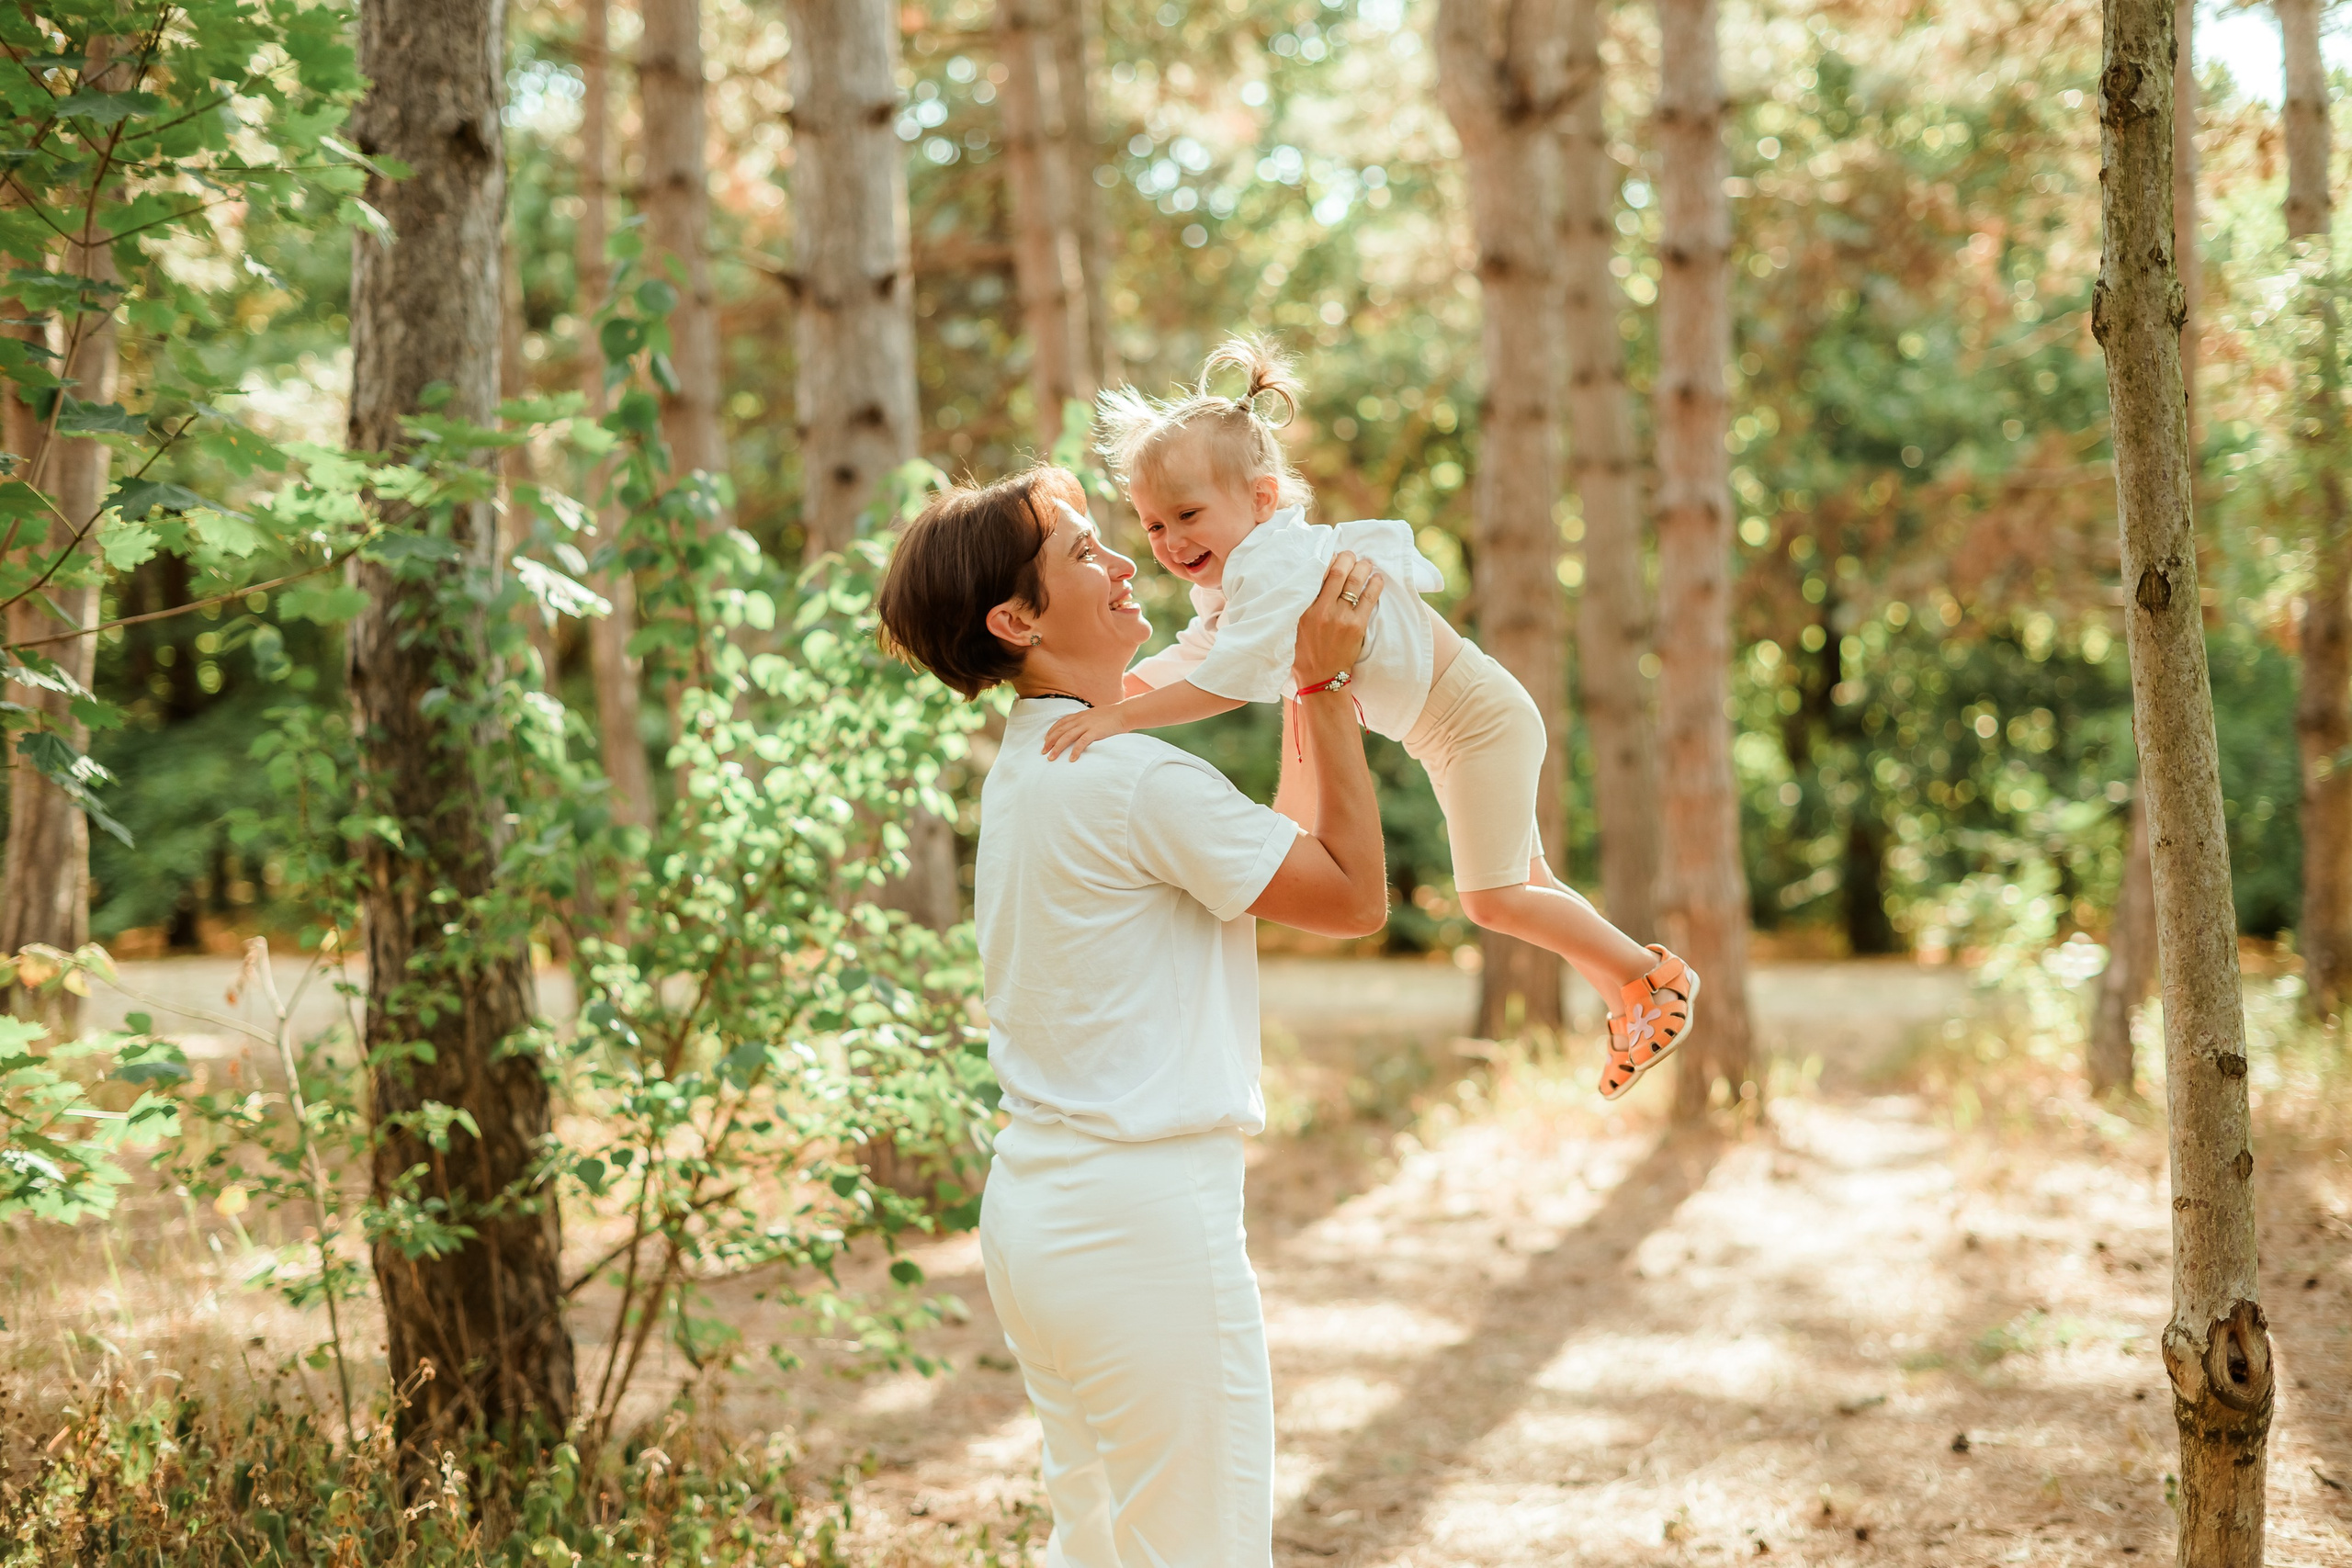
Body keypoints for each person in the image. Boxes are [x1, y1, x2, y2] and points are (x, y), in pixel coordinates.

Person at [876, 464, 1389, 1567]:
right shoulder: (1134, 778)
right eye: (1083, 554)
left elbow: (1287, 860)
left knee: (1101, 1548)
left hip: (1041, 1221)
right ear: (1014, 619)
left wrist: (1300, 684)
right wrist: (1330, 686)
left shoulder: (1040, 762)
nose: (1123, 564)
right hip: (1143, 1226)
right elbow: (1352, 897)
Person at [1037, 335, 1697, 1099]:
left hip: (1475, 721)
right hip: (1452, 729)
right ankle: (1634, 999)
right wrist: (1108, 688)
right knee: (1528, 880)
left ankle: (1653, 978)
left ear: (1259, 499)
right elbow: (1195, 653)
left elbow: (1226, 681)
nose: (1172, 541)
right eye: (1153, 527)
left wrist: (1119, 719)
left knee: (1490, 898)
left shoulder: (1275, 564)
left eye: (1187, 514)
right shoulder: (1239, 575)